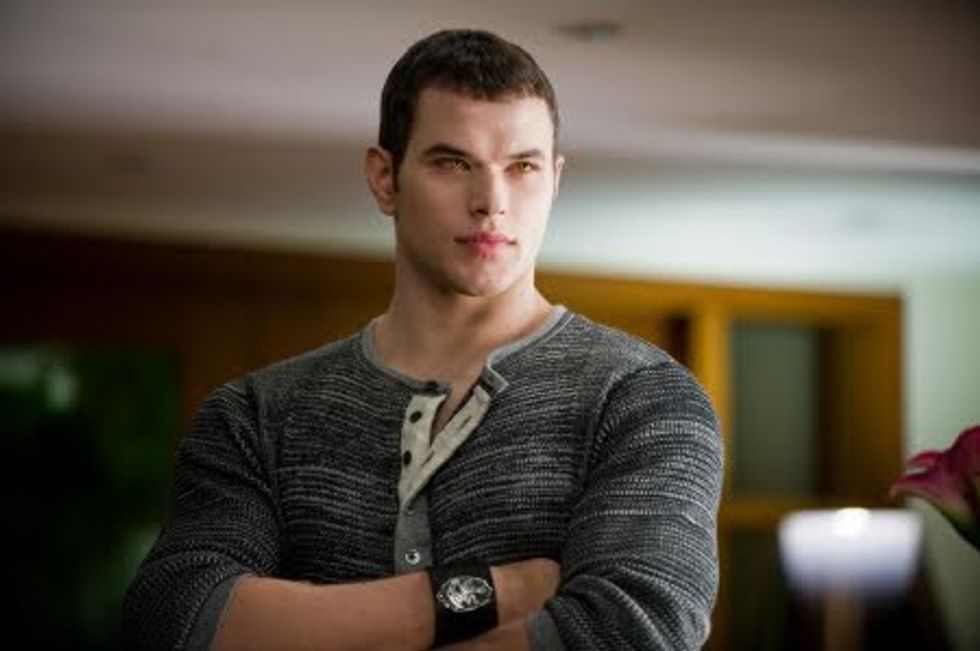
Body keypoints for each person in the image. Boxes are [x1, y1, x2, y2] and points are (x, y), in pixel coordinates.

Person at [123, 29, 723, 650]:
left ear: (554, 179)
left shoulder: (642, 400)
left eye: (522, 167)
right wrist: (497, 590)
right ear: (385, 179)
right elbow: (174, 618)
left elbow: (630, 631)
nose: (491, 202)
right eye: (453, 163)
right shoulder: (256, 415)